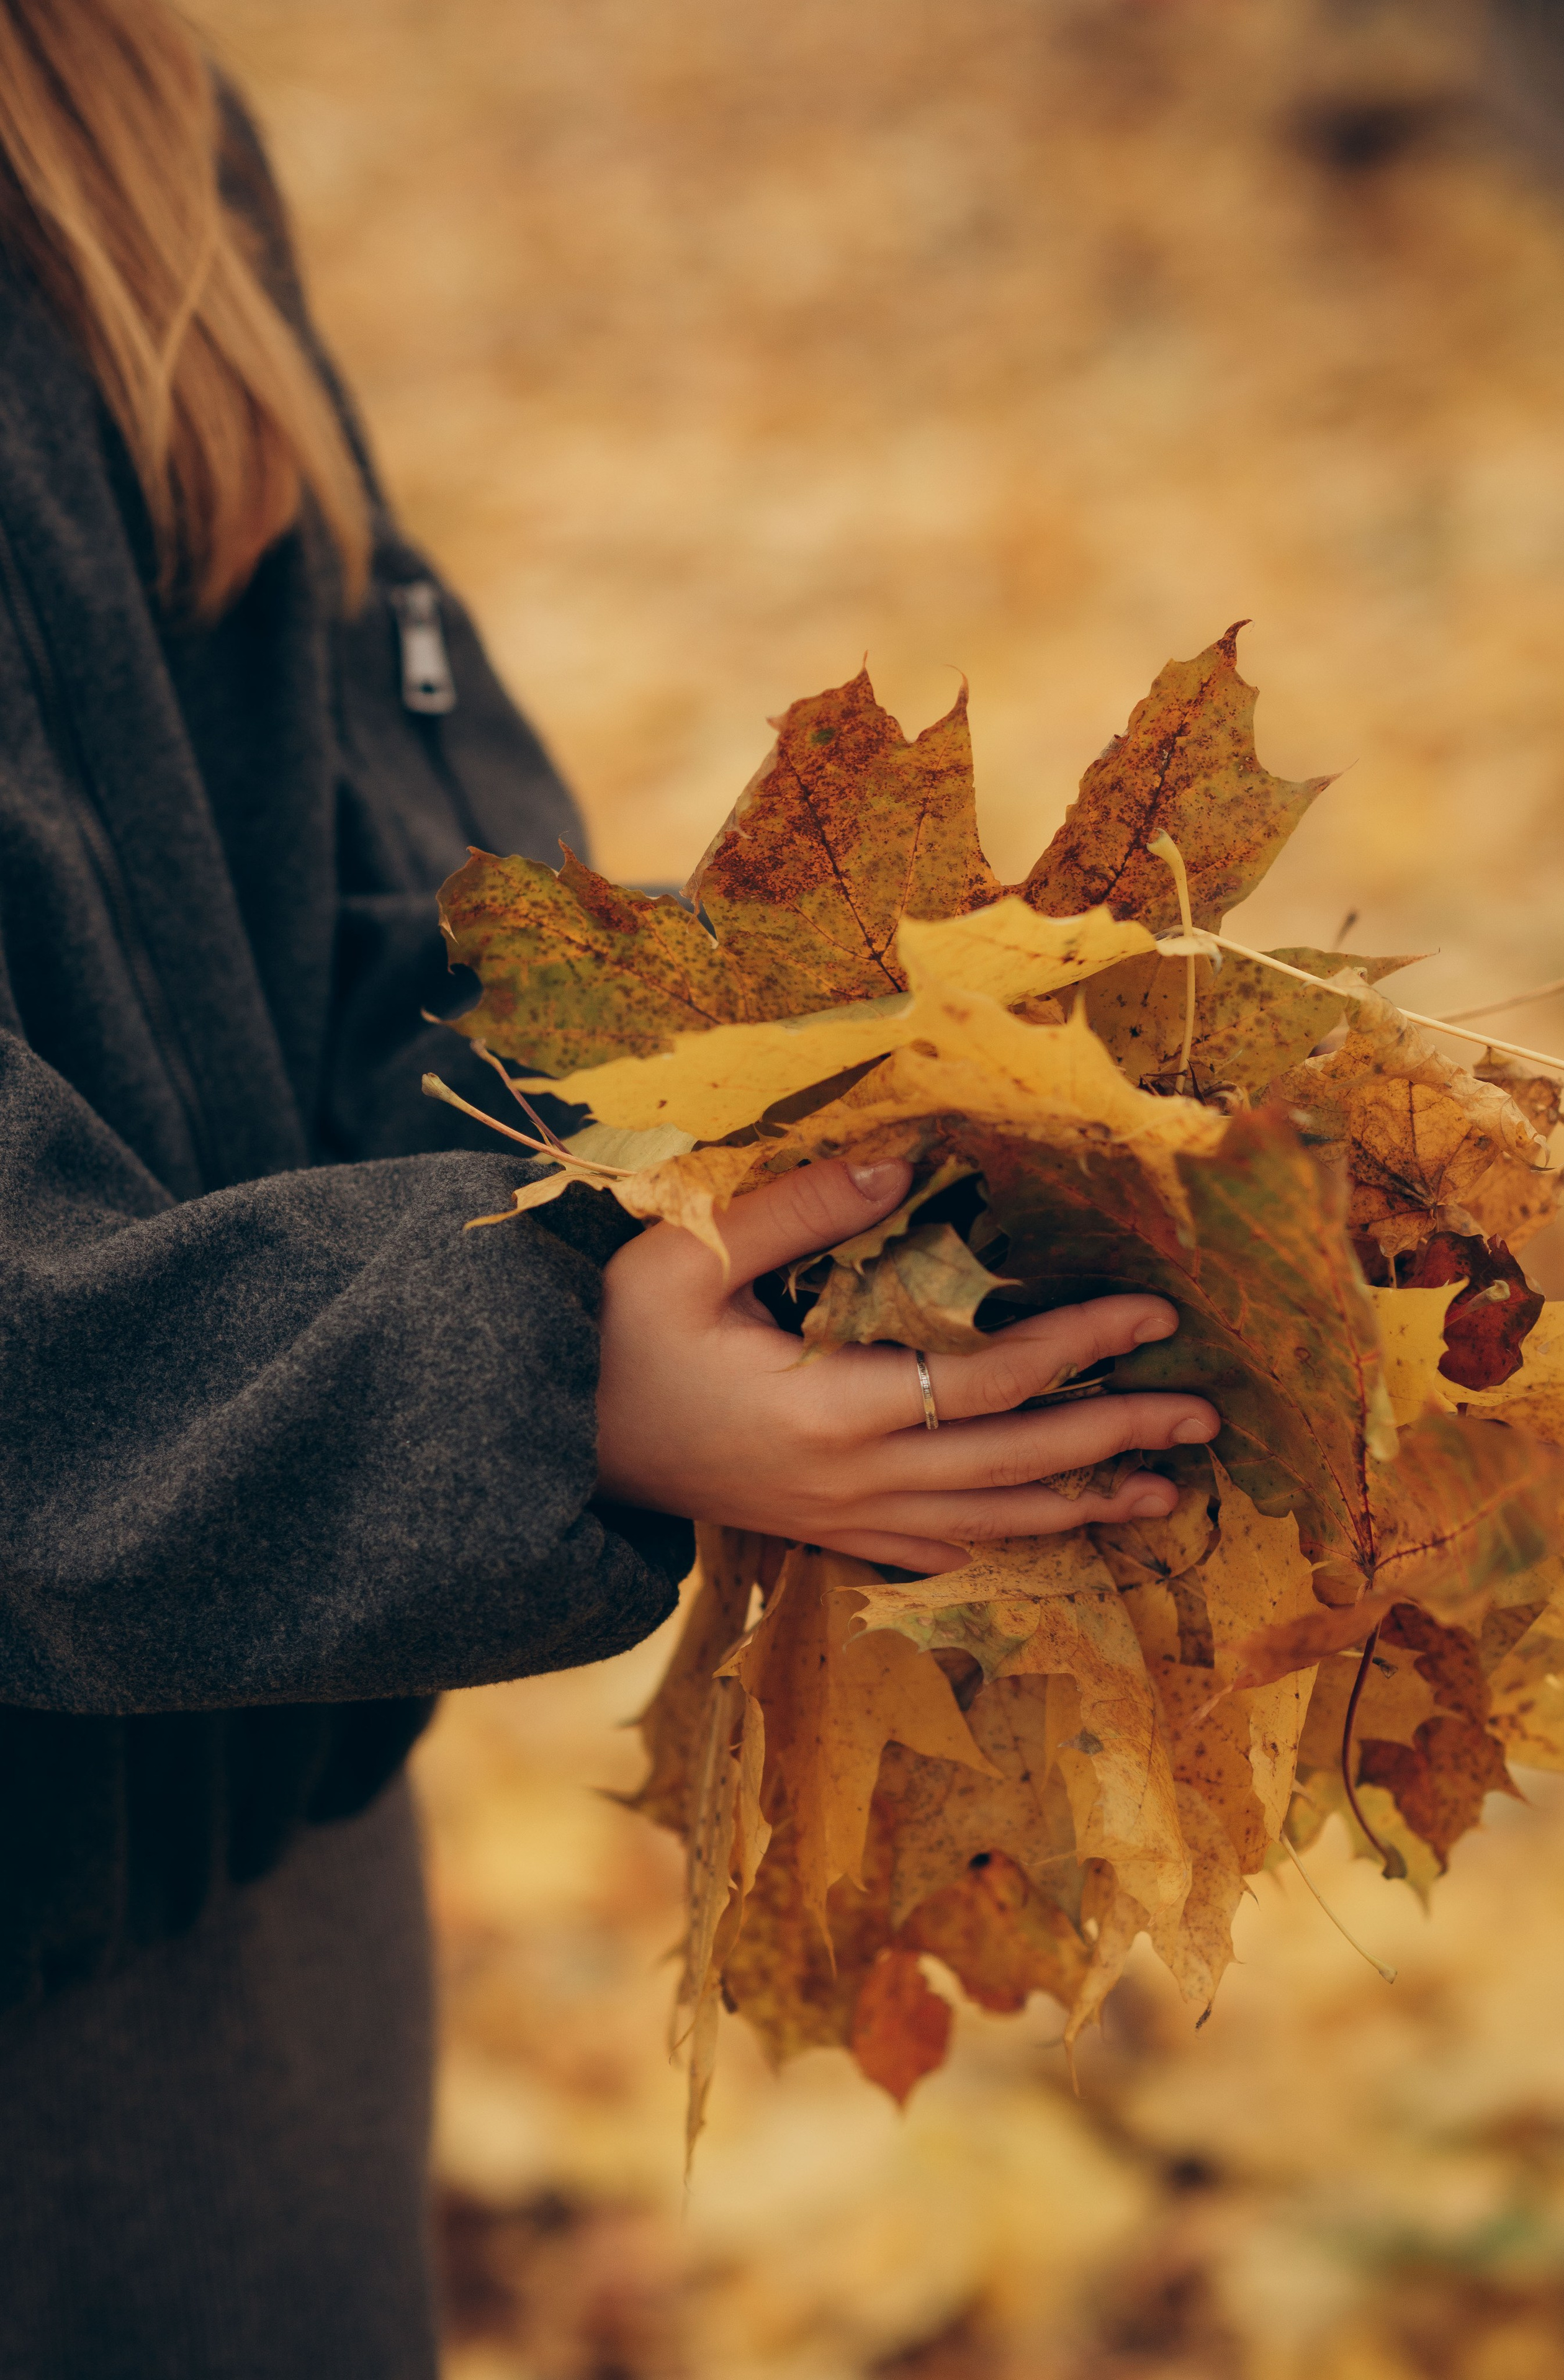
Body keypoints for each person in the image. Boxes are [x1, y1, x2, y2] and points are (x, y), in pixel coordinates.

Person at [0, 3, 1220, 2372]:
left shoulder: (111, 133)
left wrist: (732, 1185)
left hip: (260, 1889)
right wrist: (548, 1377)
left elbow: (399, 899)